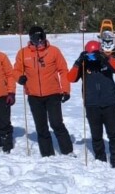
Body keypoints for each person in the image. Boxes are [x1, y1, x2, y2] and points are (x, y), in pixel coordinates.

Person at [14, 26, 73, 157]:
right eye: (36, 39)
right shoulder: (23, 53)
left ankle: (68, 151)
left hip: (53, 94)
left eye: (41, 38)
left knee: (56, 123)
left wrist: (66, 90)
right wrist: (20, 78)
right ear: (31, 39)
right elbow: (16, 70)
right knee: (41, 126)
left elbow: (63, 70)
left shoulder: (53, 51)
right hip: (34, 95)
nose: (39, 42)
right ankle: (47, 154)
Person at [68, 40, 115, 167]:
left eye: (94, 55)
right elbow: (70, 78)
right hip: (91, 104)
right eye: (89, 55)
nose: (91, 58)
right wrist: (78, 62)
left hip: (109, 103)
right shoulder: (83, 64)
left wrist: (106, 58)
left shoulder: (106, 61)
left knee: (113, 133)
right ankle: (100, 159)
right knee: (96, 134)